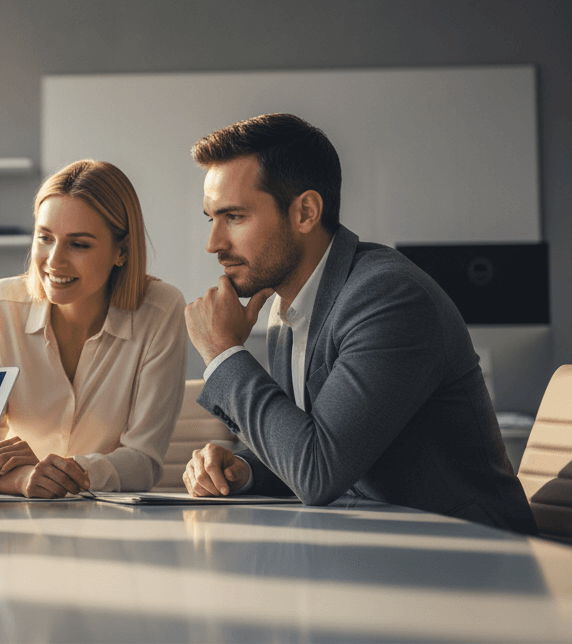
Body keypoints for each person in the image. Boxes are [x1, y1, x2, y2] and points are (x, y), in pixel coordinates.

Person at [181, 113, 537, 534]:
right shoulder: (286, 306)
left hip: (474, 563)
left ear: (306, 212)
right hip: (379, 550)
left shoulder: (388, 298)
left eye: (234, 217)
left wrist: (223, 353)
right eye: (212, 219)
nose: (213, 244)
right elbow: (316, 444)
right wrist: (244, 468)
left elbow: (318, 470)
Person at [0, 160, 188, 498]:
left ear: (121, 251)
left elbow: (144, 460)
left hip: (110, 525)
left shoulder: (160, 310)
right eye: (45, 238)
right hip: (14, 522)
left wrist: (70, 473)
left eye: (78, 244)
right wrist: (24, 480)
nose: (54, 261)